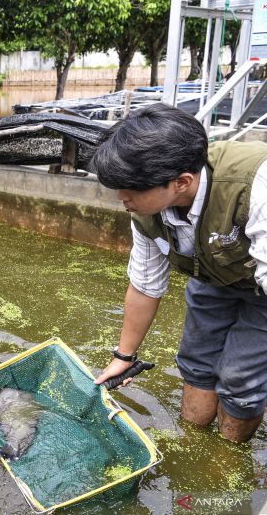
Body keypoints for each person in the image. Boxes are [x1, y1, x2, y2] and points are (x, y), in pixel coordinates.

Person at [91, 103, 267, 443]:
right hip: (214, 277)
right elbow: (145, 285)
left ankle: (227, 458)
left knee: (240, 378)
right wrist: (124, 357)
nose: (121, 198)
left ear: (181, 182)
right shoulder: (145, 207)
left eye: (130, 189)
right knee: (196, 363)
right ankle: (194, 442)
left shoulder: (255, 186)